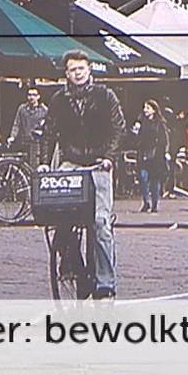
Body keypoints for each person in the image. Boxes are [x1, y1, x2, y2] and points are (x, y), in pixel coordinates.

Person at [42, 50, 125, 299]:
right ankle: (71, 263)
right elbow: (49, 132)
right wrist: (44, 163)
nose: (77, 73)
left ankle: (106, 282)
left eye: (81, 68)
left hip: (99, 164)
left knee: (100, 224)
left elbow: (118, 128)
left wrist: (109, 157)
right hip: (71, 162)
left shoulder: (105, 96)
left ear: (89, 70)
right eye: (72, 70)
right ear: (66, 74)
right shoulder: (58, 100)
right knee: (58, 216)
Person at [131, 99, 170, 214]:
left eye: (148, 108)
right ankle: (146, 201)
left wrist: (164, 152)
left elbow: (164, 140)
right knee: (143, 178)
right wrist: (135, 134)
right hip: (143, 154)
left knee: (155, 180)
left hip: (156, 155)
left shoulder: (160, 123)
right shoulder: (141, 122)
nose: (145, 110)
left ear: (154, 110)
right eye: (144, 107)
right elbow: (136, 140)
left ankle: (154, 204)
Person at [7, 87, 47, 169]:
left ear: (38, 96)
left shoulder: (44, 110)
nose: (31, 97)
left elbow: (48, 126)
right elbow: (16, 124)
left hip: (38, 144)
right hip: (24, 142)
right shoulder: (22, 109)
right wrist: (12, 136)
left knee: (34, 166)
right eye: (29, 95)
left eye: (34, 95)